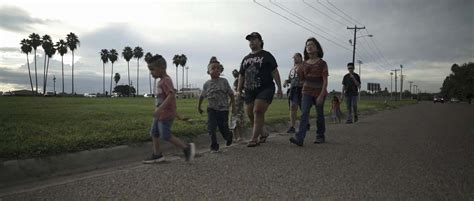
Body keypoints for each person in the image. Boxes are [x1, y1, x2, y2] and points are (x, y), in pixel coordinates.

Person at [143, 54, 195, 163]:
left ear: (162, 68)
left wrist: (160, 109)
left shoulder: (166, 80)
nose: (151, 72)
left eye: (152, 69)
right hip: (159, 114)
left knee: (165, 135)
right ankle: (157, 155)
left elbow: (171, 95)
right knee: (154, 132)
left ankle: (186, 148)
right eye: (150, 70)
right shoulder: (160, 81)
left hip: (165, 115)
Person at [237, 32, 283, 147]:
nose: (251, 42)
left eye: (254, 39)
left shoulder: (267, 55)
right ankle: (263, 132)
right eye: (250, 40)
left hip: (265, 88)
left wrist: (279, 88)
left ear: (260, 41)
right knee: (250, 114)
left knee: (257, 111)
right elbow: (241, 75)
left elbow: (274, 72)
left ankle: (254, 138)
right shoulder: (246, 58)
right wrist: (238, 90)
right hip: (249, 90)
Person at [289, 37, 329, 146]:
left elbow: (325, 80)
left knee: (319, 114)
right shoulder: (303, 64)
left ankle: (320, 135)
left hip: (319, 91)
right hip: (306, 91)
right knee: (304, 113)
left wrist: (322, 94)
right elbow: (302, 80)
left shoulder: (322, 63)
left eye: (311, 45)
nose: (309, 47)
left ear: (317, 48)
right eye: (307, 45)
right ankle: (299, 138)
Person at [198, 58, 235, 153]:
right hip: (212, 109)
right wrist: (199, 106)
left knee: (223, 128)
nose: (216, 70)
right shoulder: (206, 84)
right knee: (211, 128)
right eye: (213, 68)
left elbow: (231, 94)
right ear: (208, 71)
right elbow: (202, 96)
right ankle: (214, 146)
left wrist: (233, 105)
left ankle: (228, 136)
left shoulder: (224, 81)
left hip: (223, 110)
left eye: (218, 68)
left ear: (221, 71)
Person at [283, 53, 309, 133]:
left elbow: (308, 77)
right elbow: (290, 79)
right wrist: (286, 81)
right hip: (293, 89)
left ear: (301, 58)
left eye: (296, 57)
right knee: (293, 107)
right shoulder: (292, 69)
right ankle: (292, 126)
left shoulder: (304, 66)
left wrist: (304, 82)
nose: (295, 59)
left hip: (302, 89)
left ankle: (306, 123)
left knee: (303, 108)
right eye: (294, 58)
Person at [231, 69, 244, 142]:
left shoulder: (238, 81)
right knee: (235, 121)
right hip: (236, 104)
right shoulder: (237, 81)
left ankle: (238, 137)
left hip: (238, 104)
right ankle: (237, 137)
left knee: (237, 121)